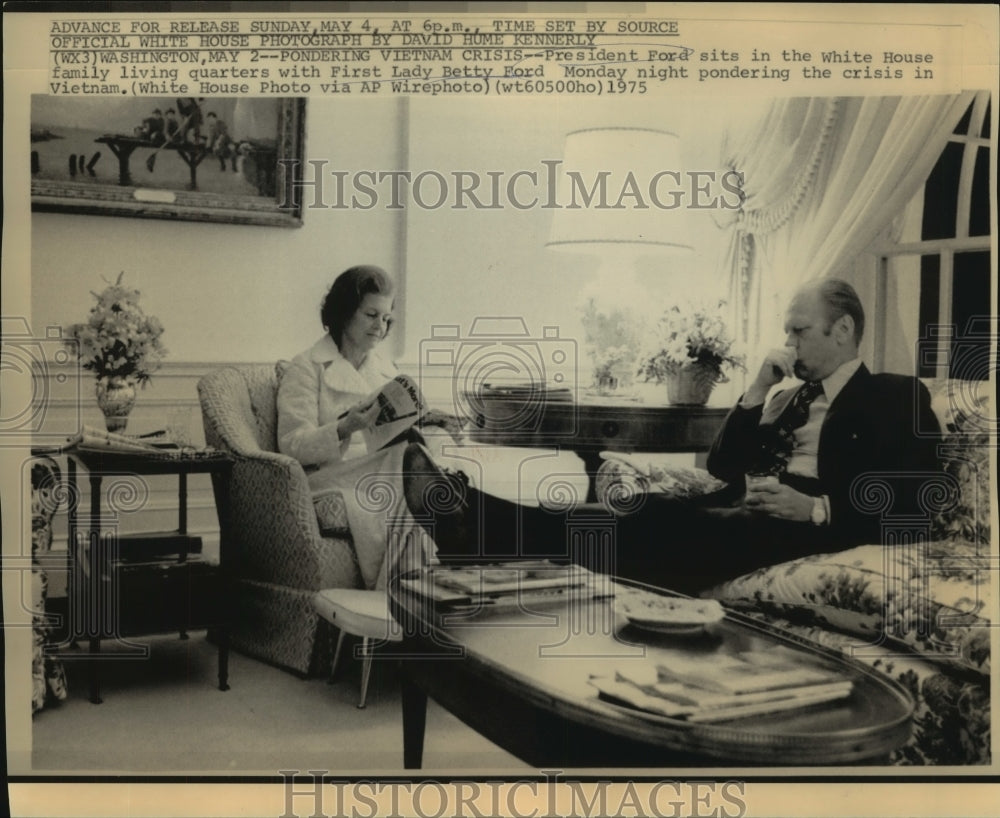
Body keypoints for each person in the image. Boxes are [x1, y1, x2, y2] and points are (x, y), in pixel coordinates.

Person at [403, 278, 943, 594]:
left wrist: (817, 510)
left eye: (798, 330)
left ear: (842, 329)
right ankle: (477, 523)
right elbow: (722, 468)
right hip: (744, 511)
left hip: (806, 529)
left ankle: (479, 530)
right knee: (639, 510)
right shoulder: (786, 397)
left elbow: (918, 502)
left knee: (655, 526)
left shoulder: (895, 395)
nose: (788, 341)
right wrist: (758, 389)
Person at [277, 265, 461, 589]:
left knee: (419, 455)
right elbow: (292, 443)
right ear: (344, 311)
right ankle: (413, 586)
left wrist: (430, 421)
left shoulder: (385, 368)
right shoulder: (306, 367)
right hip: (329, 476)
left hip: (380, 469)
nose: (380, 326)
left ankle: (412, 589)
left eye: (386, 318)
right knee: (409, 465)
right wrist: (343, 428)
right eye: (371, 315)